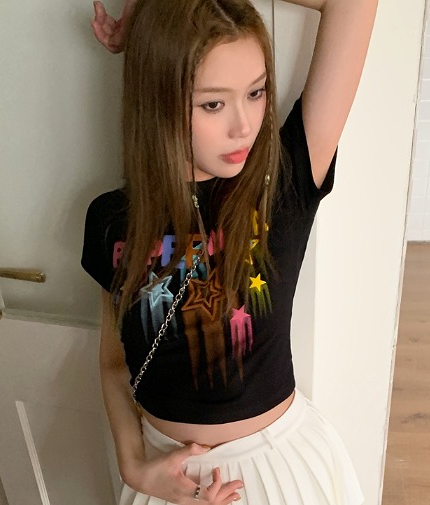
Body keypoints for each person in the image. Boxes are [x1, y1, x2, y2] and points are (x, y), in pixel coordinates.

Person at [82, 0, 378, 503]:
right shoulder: (112, 219)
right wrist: (134, 467)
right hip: (165, 478)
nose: (245, 125)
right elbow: (115, 362)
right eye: (213, 104)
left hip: (275, 473)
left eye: (256, 92)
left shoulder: (284, 178)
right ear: (159, 96)